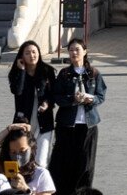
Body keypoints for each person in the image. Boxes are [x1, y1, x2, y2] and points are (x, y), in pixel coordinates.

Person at [46, 39, 104, 195]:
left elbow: (101, 95)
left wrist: (90, 99)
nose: (74, 53)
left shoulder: (94, 73)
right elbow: (57, 97)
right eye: (71, 50)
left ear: (85, 51)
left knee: (85, 164)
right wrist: (72, 99)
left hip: (88, 125)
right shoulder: (64, 74)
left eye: (77, 49)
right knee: (63, 161)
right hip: (66, 125)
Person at [9, 40, 59, 169]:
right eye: (27, 53)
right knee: (23, 162)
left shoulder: (47, 71)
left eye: (34, 52)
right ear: (22, 56)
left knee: (41, 162)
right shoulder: (16, 73)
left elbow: (54, 94)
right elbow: (17, 91)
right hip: (23, 124)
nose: (32, 55)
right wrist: (22, 71)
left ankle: (42, 182)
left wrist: (47, 103)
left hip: (44, 123)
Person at [0, 122, 57, 195]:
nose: (18, 156)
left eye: (22, 151)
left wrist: (26, 189)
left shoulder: (41, 174)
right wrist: (9, 129)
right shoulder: (4, 170)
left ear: (31, 148)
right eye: (13, 152)